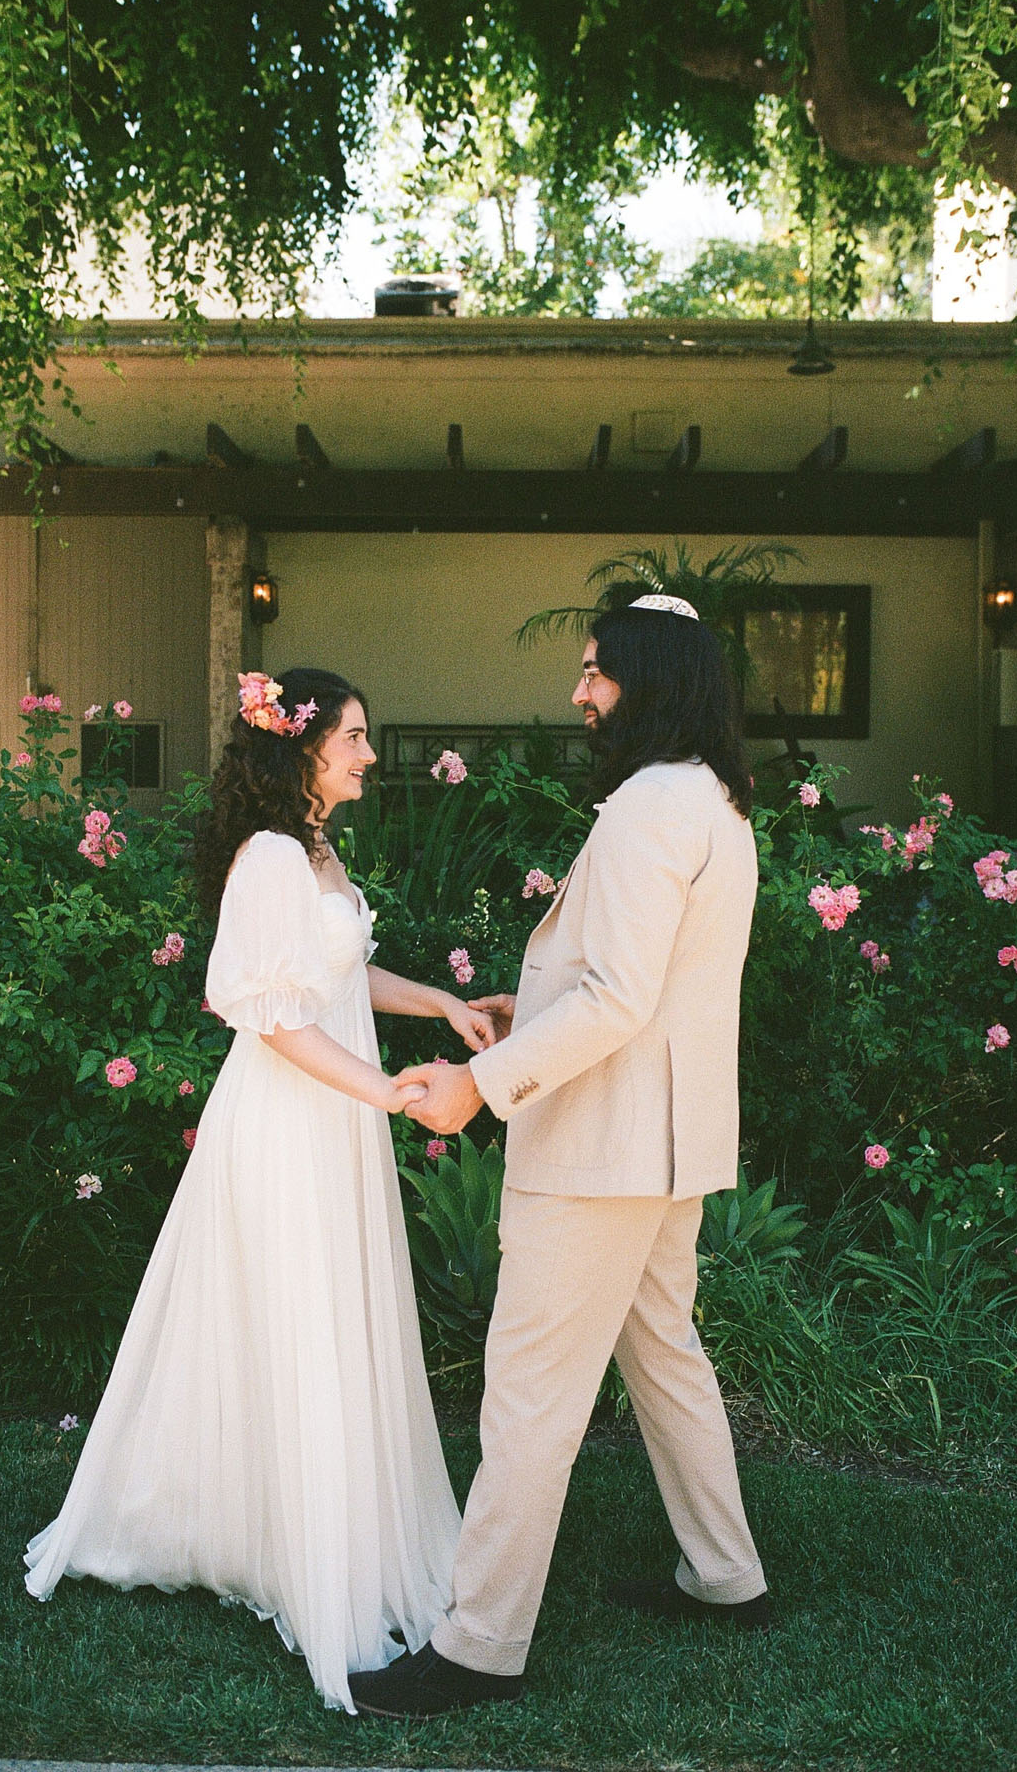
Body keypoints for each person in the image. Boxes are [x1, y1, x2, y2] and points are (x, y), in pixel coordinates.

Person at [25, 668, 493, 1715]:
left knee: (322, 1318)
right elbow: (271, 1016)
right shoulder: (273, 857)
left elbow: (339, 974)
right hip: (288, 1124)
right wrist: (381, 1089)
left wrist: (445, 1006)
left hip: (333, 1117)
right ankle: (290, 1550)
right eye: (356, 738)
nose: (371, 755)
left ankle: (293, 1529)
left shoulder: (316, 847)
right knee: (294, 1324)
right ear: (304, 747)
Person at [348, 595, 769, 1719]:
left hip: (599, 1151)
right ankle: (725, 1575)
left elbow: (620, 998)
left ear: (650, 679)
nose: (578, 692)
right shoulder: (718, 807)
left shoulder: (644, 809)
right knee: (664, 1356)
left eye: (595, 673)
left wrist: (476, 1089)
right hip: (665, 1148)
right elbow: (640, 989)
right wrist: (519, 1011)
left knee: (530, 1394)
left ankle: (477, 1644)